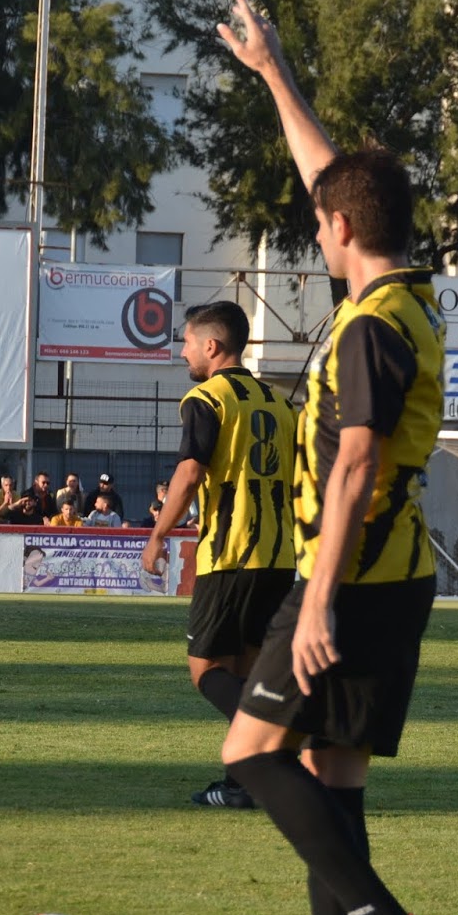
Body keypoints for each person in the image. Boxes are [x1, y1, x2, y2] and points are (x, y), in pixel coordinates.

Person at [209, 0, 443, 915]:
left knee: (249, 753)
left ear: (343, 231)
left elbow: (353, 464)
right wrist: (272, 73)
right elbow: (330, 177)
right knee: (329, 769)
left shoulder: (366, 329)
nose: (314, 224)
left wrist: (313, 603)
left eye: (319, 220)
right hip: (391, 575)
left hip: (349, 577)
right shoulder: (402, 297)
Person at [142, 300, 297, 812]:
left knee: (206, 670)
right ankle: (242, 784)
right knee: (245, 671)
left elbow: (189, 472)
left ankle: (273, 746)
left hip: (230, 555)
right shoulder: (279, 403)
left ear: (211, 346)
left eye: (187, 342)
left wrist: (158, 534)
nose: (183, 351)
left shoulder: (206, 398)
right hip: (278, 557)